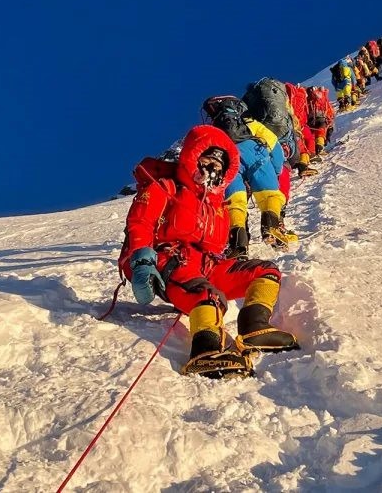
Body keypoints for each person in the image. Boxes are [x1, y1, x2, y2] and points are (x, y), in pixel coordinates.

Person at [123, 124, 299, 378]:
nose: (213, 166)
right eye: (208, 158)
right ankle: (205, 350)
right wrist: (141, 260)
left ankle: (254, 328)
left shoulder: (217, 205)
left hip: (207, 264)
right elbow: (140, 222)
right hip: (171, 262)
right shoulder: (166, 186)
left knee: (265, 271)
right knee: (209, 295)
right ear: (192, 156)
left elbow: (217, 246)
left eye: (220, 163)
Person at [203, 96, 297, 252]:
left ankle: (238, 246)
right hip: (257, 156)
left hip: (229, 162)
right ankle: (271, 226)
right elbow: (272, 142)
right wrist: (276, 169)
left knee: (235, 203)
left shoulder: (214, 130)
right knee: (270, 196)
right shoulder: (249, 123)